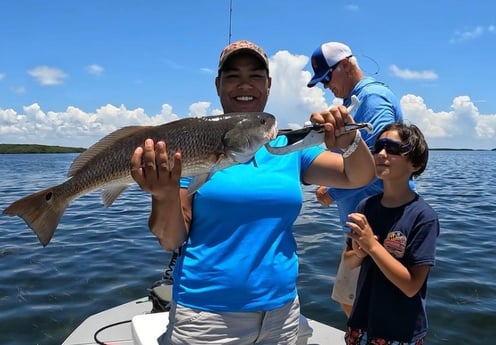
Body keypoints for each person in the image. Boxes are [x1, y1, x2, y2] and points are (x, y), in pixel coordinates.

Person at [130, 39, 376, 345]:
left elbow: (359, 175)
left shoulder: (287, 148)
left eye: (255, 76)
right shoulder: (189, 148)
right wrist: (163, 195)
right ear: (218, 85)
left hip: (282, 312)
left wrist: (349, 140)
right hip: (207, 318)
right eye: (233, 76)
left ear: (269, 84)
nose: (244, 84)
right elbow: (171, 239)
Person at [307, 41, 410, 317]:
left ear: (345, 65)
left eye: (327, 77)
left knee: (369, 306)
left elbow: (383, 160)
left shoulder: (371, 99)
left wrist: (332, 191)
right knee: (350, 300)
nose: (325, 86)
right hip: (362, 223)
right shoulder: (353, 103)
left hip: (377, 224)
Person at [343, 122, 439, 344]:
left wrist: (372, 246)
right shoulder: (365, 207)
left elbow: (411, 286)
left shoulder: (423, 217)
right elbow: (349, 261)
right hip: (361, 321)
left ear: (415, 163)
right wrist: (359, 252)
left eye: (393, 149)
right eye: (378, 147)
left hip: (400, 330)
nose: (381, 154)